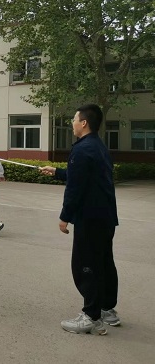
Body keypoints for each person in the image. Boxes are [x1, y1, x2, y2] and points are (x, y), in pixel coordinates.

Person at [39, 104, 119, 335]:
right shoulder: (99, 146)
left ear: (84, 123)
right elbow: (81, 175)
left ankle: (91, 317)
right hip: (105, 217)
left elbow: (75, 187)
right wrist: (56, 172)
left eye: (74, 119)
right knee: (104, 263)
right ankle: (107, 309)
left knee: (86, 265)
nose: (72, 123)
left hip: (90, 218)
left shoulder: (82, 149)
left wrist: (65, 216)